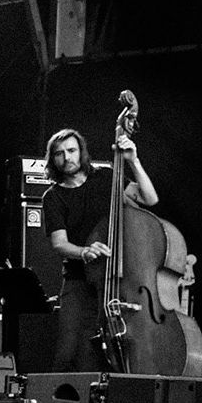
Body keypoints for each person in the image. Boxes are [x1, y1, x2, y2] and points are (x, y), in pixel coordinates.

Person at [40, 126, 158, 371]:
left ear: (81, 152)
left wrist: (133, 160)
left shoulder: (106, 178)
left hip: (120, 279)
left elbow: (149, 199)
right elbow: (60, 244)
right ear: (53, 159)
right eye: (60, 153)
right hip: (78, 280)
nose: (67, 157)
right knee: (69, 350)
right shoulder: (53, 197)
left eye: (71, 150)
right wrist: (84, 251)